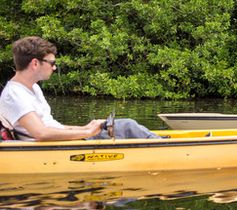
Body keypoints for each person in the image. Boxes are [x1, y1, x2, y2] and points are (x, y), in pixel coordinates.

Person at [0, 36, 160, 141]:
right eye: (52, 63)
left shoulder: (32, 88)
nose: (54, 68)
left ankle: (164, 143)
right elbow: (41, 133)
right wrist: (87, 133)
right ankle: (170, 148)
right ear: (35, 63)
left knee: (125, 126)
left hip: (61, 143)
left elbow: (51, 126)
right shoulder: (14, 94)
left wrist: (86, 127)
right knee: (128, 126)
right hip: (54, 149)